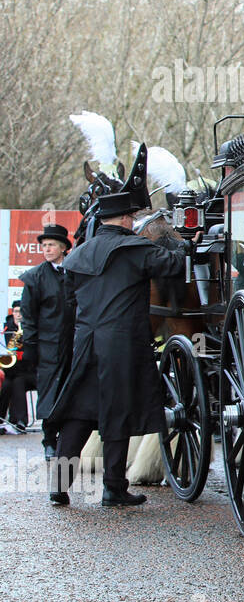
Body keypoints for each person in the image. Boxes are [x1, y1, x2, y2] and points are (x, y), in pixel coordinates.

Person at [45, 146, 191, 506]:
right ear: (126, 219)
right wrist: (190, 243)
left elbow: (69, 301)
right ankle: (113, 488)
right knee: (117, 412)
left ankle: (59, 486)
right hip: (122, 344)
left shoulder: (78, 255)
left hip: (86, 343)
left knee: (79, 414)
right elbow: (173, 265)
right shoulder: (133, 249)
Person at [19, 223, 74, 458]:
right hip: (48, 345)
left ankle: (69, 440)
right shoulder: (35, 277)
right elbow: (28, 316)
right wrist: (30, 346)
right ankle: (49, 439)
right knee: (49, 392)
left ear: (63, 248)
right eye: (44, 245)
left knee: (71, 390)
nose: (47, 249)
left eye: (52, 245)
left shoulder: (74, 273)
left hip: (74, 343)